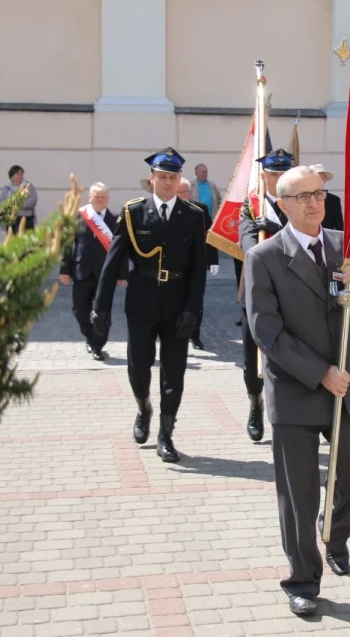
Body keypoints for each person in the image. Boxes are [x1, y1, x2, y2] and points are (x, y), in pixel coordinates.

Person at [244, 165, 350, 616]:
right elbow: (266, 331)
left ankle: (336, 535)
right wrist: (320, 372)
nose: (313, 203)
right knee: (299, 493)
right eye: (301, 196)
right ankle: (302, 578)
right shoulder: (264, 257)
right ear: (282, 205)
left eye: (319, 194)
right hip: (298, 390)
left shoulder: (345, 244)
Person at [92, 148, 209, 463]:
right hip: (141, 302)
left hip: (177, 304)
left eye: (173, 177)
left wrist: (192, 309)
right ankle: (143, 406)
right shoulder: (133, 213)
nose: (168, 182)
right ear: (152, 179)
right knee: (138, 367)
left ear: (179, 179)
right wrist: (101, 305)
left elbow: (199, 270)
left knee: (174, 372)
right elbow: (113, 260)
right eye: (163, 176)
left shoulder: (194, 215)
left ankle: (166, 434)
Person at [239, 148, 294, 443]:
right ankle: (254, 404)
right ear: (264, 177)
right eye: (274, 174)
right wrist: (273, 236)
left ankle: (286, 415)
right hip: (257, 292)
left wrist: (280, 229)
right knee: (253, 359)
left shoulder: (298, 204)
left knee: (290, 355)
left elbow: (306, 238)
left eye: (285, 173)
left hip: (292, 293)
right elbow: (248, 247)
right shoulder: (251, 206)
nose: (280, 179)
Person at [60, 182, 126, 360]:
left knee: (103, 310)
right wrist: (64, 270)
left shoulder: (115, 221)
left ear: (108, 200)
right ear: (90, 198)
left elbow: (122, 249)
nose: (100, 200)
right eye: (96, 197)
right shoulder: (79, 217)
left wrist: (122, 274)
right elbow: (67, 244)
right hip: (81, 271)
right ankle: (89, 335)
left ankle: (98, 345)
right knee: (79, 309)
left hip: (106, 274)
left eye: (103, 197)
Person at [176, 178, 221, 350]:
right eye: (178, 192)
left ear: (189, 193)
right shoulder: (169, 208)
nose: (180, 195)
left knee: (196, 302)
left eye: (183, 192)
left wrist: (213, 259)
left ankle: (195, 335)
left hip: (196, 264)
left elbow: (209, 234)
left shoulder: (199, 209)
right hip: (175, 265)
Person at [0, 165, 38, 233]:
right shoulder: (6, 188)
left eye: (21, 173)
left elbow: (33, 199)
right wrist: (9, 206)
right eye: (17, 173)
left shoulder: (28, 186)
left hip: (26, 217)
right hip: (11, 218)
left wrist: (20, 205)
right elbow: (2, 201)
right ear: (12, 176)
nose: (20, 175)